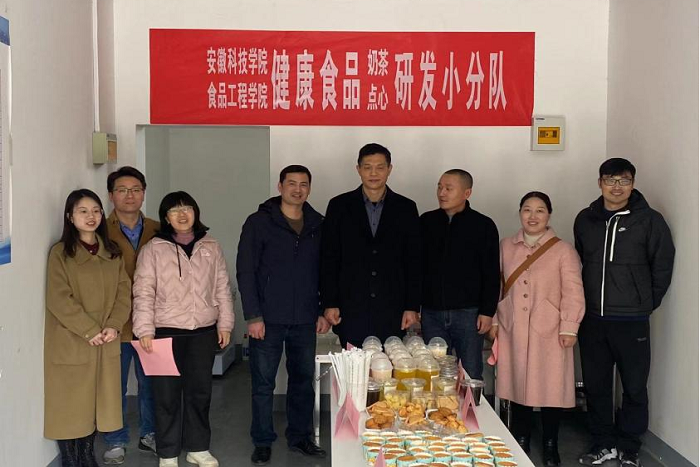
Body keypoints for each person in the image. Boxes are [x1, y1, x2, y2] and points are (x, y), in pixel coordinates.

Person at [575, 158, 675, 467]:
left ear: (633, 184)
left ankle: (629, 448)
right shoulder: (586, 219)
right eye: (610, 180)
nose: (616, 187)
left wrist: (646, 302)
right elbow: (581, 259)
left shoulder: (650, 221)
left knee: (634, 386)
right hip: (593, 319)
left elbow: (662, 265)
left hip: (632, 320)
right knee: (596, 386)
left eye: (624, 180)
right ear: (600, 183)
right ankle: (602, 443)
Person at [132, 191, 234, 467]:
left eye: (186, 208)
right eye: (174, 210)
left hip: (202, 331)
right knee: (165, 396)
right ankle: (167, 453)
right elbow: (143, 291)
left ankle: (198, 448)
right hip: (165, 332)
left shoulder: (211, 246)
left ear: (195, 212)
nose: (182, 214)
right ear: (166, 217)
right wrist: (144, 329)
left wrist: (225, 323)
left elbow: (222, 287)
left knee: (199, 393)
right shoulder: (153, 249)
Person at [237, 165, 329, 466]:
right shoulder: (259, 222)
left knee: (302, 380)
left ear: (309, 189)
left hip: (305, 317)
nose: (297, 189)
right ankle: (262, 440)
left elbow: (326, 271)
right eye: (292, 183)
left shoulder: (318, 223)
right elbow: (246, 271)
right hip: (268, 318)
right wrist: (253, 316)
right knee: (263, 383)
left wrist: (321, 310)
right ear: (280, 186)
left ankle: (300, 436)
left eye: (304, 184)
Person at [490, 191, 585, 466]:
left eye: (540, 210)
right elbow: (496, 286)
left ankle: (551, 443)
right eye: (527, 210)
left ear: (549, 215)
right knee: (518, 385)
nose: (533, 216)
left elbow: (573, 291)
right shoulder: (505, 246)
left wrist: (569, 327)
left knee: (551, 388)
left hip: (550, 329)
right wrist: (495, 320)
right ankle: (521, 438)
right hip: (513, 327)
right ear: (520, 213)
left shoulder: (564, 250)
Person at [45, 189, 131, 467]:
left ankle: (87, 457)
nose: (90, 216)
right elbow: (58, 298)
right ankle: (71, 460)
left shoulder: (112, 253)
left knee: (98, 404)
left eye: (95, 210)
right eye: (82, 211)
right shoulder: (61, 253)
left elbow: (124, 293)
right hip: (73, 340)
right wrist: (89, 330)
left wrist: (114, 326)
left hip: (106, 340)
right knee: (71, 405)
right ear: (70, 217)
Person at [321, 143, 421, 347]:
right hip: (350, 306)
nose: (373, 173)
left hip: (392, 308)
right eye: (367, 167)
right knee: (353, 364)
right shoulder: (339, 205)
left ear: (389, 169)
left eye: (380, 167)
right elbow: (329, 258)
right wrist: (330, 302)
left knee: (390, 365)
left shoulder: (406, 208)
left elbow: (414, 260)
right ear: (358, 169)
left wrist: (412, 306)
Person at [420, 169, 500, 381]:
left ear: (467, 193)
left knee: (470, 372)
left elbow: (491, 272)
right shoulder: (426, 222)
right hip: (432, 312)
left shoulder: (483, 225)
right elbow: (415, 266)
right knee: (433, 373)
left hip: (469, 313)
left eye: (448, 188)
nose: (441, 193)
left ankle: (472, 404)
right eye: (439, 187)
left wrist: (487, 311)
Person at [103, 166, 159, 464]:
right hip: (115, 322)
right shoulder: (100, 230)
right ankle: (116, 439)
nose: (130, 195)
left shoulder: (158, 229)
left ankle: (150, 434)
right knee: (115, 384)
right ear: (111, 195)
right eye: (122, 190)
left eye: (136, 189)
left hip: (152, 321)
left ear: (144, 193)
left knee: (151, 383)